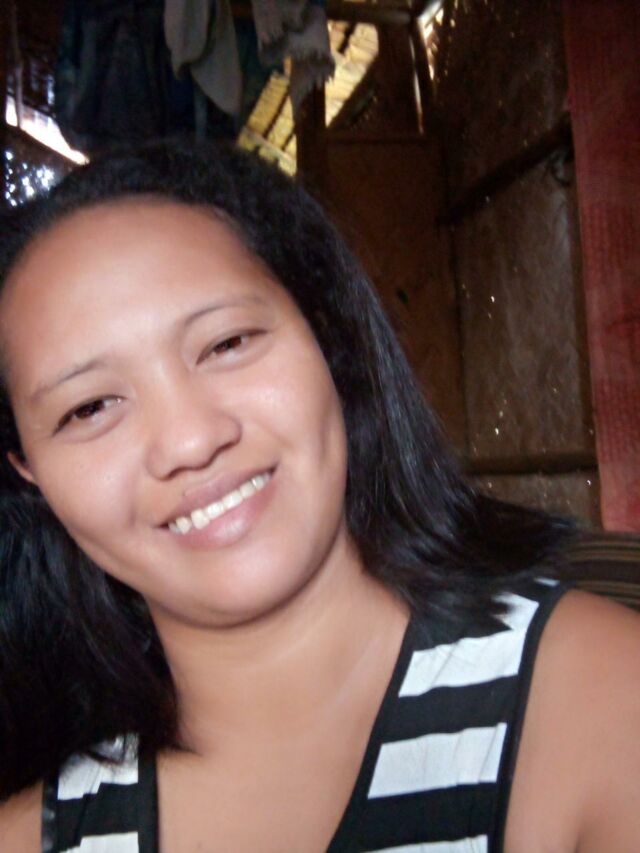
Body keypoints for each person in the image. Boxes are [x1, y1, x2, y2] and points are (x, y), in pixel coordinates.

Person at [0, 140, 638, 853]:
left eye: (228, 342)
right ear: (28, 469)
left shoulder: (602, 704)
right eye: (89, 408)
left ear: (326, 333)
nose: (189, 441)